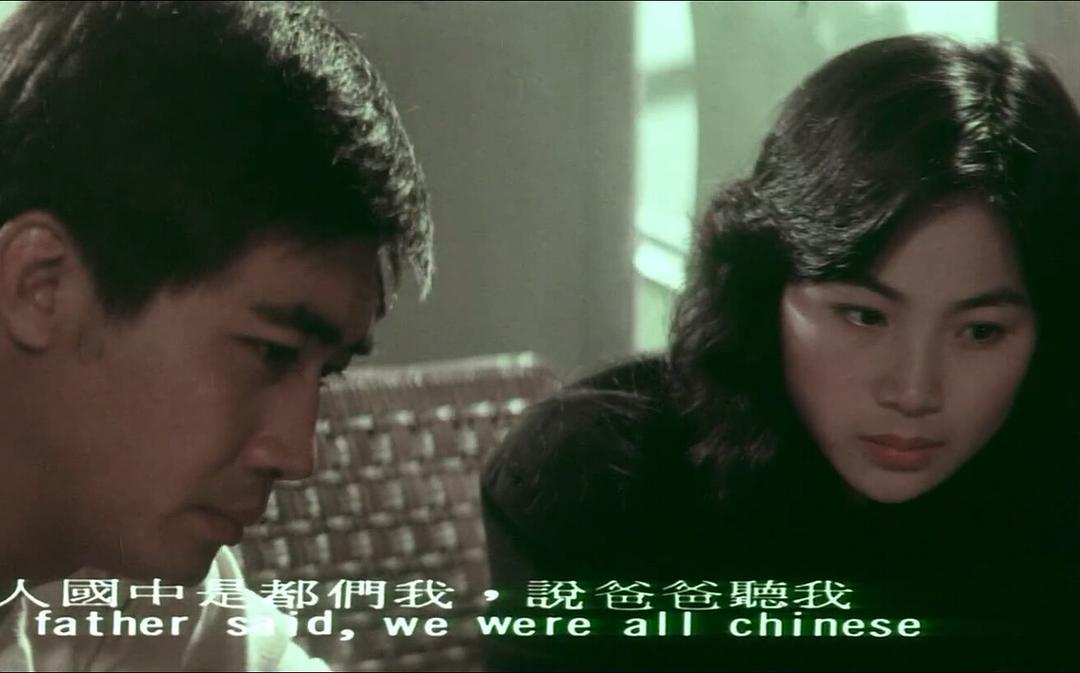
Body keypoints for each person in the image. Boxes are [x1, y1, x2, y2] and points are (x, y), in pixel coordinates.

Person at [482, 35, 1080, 672]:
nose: (913, 392)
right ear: (762, 286)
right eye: (864, 315)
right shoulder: (595, 480)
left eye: (981, 332)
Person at [0, 1, 432, 670]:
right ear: (41, 285)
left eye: (325, 374)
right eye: (271, 353)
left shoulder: (123, 584)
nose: (296, 454)